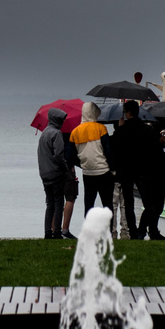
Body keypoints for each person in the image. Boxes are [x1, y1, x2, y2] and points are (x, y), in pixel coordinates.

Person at [110, 101, 154, 239]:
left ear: (127, 112)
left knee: (128, 204)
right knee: (148, 203)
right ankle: (143, 229)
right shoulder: (146, 129)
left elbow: (114, 147)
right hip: (143, 169)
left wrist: (119, 129)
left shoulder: (122, 130)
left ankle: (133, 232)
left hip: (125, 170)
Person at [69, 101, 116, 233]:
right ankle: (109, 232)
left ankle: (89, 232)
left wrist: (82, 164)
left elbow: (70, 156)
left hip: (87, 173)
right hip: (103, 172)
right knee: (107, 204)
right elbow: (108, 151)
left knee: (89, 204)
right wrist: (113, 169)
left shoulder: (75, 132)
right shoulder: (100, 128)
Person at [37, 107, 75, 240]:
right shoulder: (56, 133)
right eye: (62, 120)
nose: (63, 122)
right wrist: (65, 168)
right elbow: (59, 155)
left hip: (45, 174)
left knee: (49, 204)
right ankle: (57, 233)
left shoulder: (44, 133)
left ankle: (48, 232)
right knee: (59, 203)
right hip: (55, 174)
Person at [136, 119, 165, 239]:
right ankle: (145, 230)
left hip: (158, 177)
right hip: (154, 178)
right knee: (153, 206)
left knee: (156, 207)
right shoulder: (152, 138)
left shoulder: (156, 138)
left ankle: (150, 230)